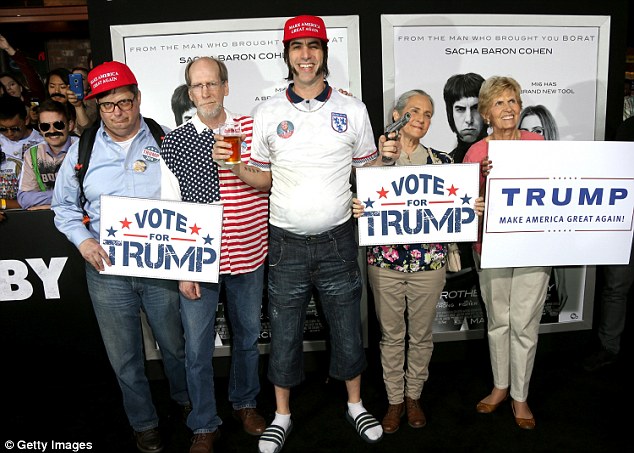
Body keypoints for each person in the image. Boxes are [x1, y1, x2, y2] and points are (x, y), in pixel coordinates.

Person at [213, 14, 400, 453]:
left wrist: (386, 159)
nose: (306, 55)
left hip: (338, 240)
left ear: (324, 53)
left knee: (348, 329)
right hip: (286, 244)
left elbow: (366, 170)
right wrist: (235, 167)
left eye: (313, 46)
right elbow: (263, 179)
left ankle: (355, 404)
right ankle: (282, 414)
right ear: (287, 55)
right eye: (297, 48)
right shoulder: (268, 111)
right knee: (283, 331)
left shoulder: (352, 109)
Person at [51, 61, 189, 453]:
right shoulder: (83, 149)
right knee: (124, 357)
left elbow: (190, 198)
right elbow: (63, 208)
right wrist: (82, 241)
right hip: (106, 270)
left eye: (125, 102)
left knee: (175, 345)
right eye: (108, 105)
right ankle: (143, 421)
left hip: (160, 266)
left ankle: (186, 401)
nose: (118, 112)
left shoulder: (167, 140)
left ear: (138, 98)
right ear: (97, 106)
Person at [160, 56, 269, 453]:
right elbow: (171, 209)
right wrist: (182, 270)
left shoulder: (254, 129)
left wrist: (238, 164)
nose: (206, 92)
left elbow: (270, 183)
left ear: (226, 86)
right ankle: (204, 422)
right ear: (190, 93)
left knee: (247, 337)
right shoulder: (174, 141)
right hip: (199, 263)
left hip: (249, 253)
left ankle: (245, 403)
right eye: (198, 86)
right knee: (197, 347)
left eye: (212, 83)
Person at [352, 90, 452, 434]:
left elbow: (456, 209)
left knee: (422, 336)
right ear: (398, 115)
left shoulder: (444, 163)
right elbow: (357, 197)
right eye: (413, 111)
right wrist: (358, 206)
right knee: (392, 336)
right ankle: (395, 400)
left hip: (429, 264)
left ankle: (414, 396)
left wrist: (473, 209)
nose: (421, 119)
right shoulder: (375, 162)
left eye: (427, 114)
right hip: (385, 264)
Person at [464, 76, 548, 430]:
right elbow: (463, 206)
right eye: (499, 103)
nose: (508, 108)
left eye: (513, 101)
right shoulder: (475, 153)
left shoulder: (539, 144)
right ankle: (500, 386)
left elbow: (559, 188)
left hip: (534, 246)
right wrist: (479, 190)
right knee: (499, 321)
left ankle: (520, 395)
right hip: (491, 246)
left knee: (525, 324)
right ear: (486, 113)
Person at [583, 115, 634, 371]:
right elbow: (617, 171)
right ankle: (609, 347)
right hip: (626, 220)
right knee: (616, 286)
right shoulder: (630, 127)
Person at [17, 99, 77, 209]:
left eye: (58, 125)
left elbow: (87, 194)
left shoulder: (83, 148)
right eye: (45, 126)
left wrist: (49, 204)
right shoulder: (32, 154)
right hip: (45, 217)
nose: (52, 130)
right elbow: (24, 199)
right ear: (40, 128)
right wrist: (65, 197)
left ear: (70, 125)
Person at [0, 94, 44, 210]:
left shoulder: (42, 142)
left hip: (34, 208)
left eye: (14, 128)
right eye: (3, 129)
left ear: (26, 120)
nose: (9, 134)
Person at [442, 73, 487, 164]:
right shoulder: (444, 164)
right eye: (460, 109)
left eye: (475, 108)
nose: (469, 119)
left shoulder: (503, 155)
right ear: (451, 113)